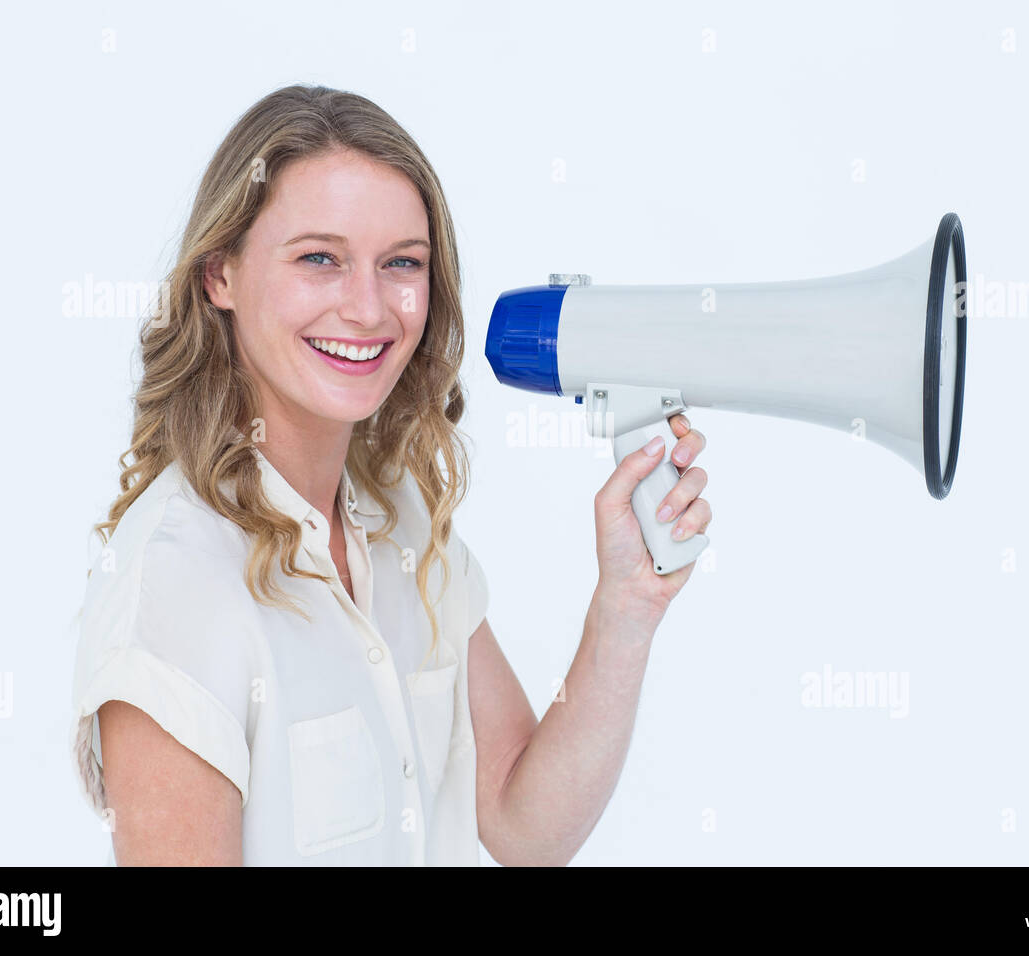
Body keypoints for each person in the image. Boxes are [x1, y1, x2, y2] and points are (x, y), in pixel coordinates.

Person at [68, 84, 712, 866]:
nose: (370, 308)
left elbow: (522, 823)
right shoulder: (174, 585)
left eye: (402, 263)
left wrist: (626, 606)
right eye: (319, 259)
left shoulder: (399, 515)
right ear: (219, 276)